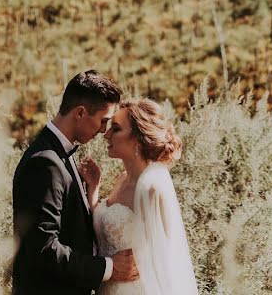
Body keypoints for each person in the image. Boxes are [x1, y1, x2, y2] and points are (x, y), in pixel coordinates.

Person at [12, 70, 139, 295]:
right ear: (80, 112)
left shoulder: (59, 153)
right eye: (103, 121)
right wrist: (109, 267)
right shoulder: (45, 162)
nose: (103, 131)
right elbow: (44, 248)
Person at [78, 99, 198, 295]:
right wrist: (94, 188)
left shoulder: (152, 187)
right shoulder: (122, 179)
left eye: (115, 129)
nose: (106, 135)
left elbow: (168, 259)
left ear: (138, 138)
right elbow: (104, 230)